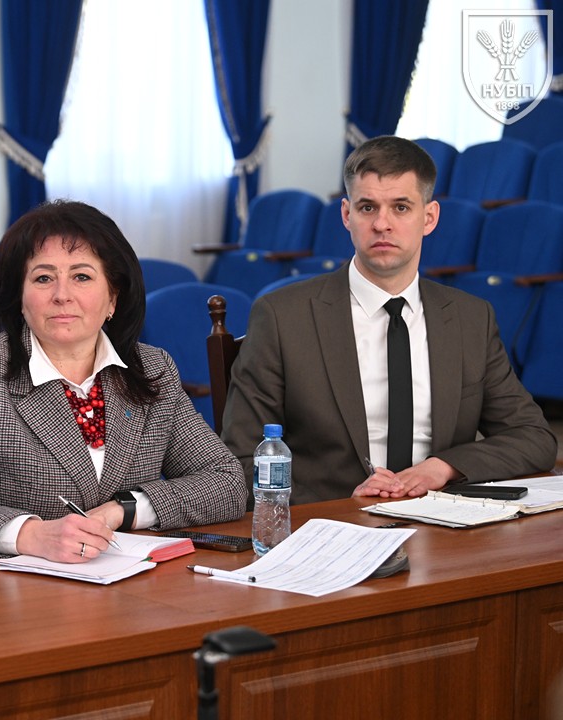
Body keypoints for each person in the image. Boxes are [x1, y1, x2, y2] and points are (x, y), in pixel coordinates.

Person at [222, 135, 557, 505]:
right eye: (367, 207)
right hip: (331, 521)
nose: (382, 224)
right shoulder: (282, 316)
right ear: (347, 215)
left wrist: (443, 467)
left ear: (429, 218)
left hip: (443, 520)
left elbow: (533, 437)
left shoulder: (470, 318)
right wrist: (341, 505)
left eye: (400, 207)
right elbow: (241, 461)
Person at [0, 200, 246, 562]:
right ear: (19, 298)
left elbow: (226, 482)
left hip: (124, 579)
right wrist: (31, 535)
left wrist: (124, 510)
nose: (62, 295)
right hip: (7, 584)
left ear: (113, 296)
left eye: (81, 276)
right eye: (43, 278)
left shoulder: (152, 368)